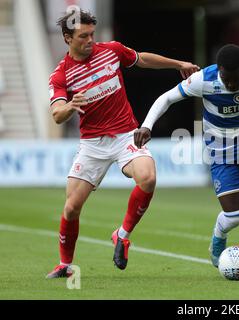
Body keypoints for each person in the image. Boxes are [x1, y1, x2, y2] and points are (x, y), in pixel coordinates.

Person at [46, 10, 199, 278]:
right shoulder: (61, 75)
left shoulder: (112, 51)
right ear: (67, 38)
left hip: (126, 135)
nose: (90, 40)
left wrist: (178, 64)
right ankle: (64, 265)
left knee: (148, 178)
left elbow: (143, 60)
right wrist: (71, 105)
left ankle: (122, 235)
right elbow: (57, 114)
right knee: (71, 208)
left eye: (92, 34)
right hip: (92, 144)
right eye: (83, 36)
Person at [134, 44, 239, 279]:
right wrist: (147, 125)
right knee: (234, 217)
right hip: (220, 151)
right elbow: (166, 99)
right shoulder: (203, 79)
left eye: (233, 79)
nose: (229, 84)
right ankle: (218, 237)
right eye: (225, 79)